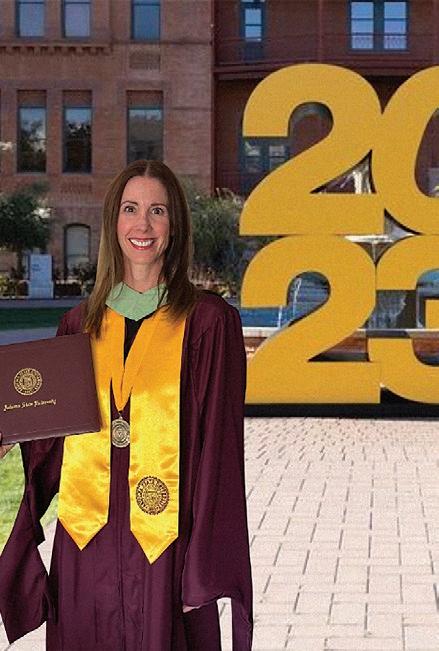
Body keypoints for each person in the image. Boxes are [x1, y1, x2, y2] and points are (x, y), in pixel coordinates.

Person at [0, 160, 253, 650]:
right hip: (84, 550)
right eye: (130, 209)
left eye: (158, 210)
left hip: (164, 551)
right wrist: (12, 435)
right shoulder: (79, 326)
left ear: (175, 225)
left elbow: (220, 452)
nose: (143, 225)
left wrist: (200, 571)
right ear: (113, 222)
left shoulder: (208, 324)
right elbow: (53, 441)